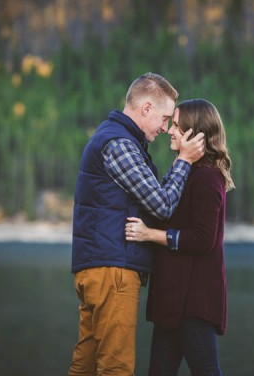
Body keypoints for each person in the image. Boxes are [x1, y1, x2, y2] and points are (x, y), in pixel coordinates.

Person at [69, 73, 205, 376]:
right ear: (146, 108)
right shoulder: (120, 145)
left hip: (97, 267)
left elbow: (153, 197)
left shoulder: (117, 139)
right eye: (166, 117)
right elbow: (162, 205)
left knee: (86, 366)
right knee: (116, 367)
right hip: (112, 270)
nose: (166, 127)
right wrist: (184, 161)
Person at [125, 98, 234, 376]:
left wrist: (150, 235)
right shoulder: (186, 172)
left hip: (193, 302)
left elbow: (202, 239)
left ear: (195, 134)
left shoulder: (208, 178)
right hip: (172, 301)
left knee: (207, 371)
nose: (170, 131)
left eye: (176, 125)